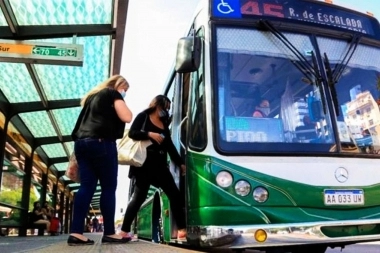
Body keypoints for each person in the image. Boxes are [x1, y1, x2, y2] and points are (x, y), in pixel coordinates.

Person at [68, 75, 133, 246]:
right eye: (125, 89)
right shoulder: (112, 93)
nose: (125, 93)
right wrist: (120, 99)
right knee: (108, 187)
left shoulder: (92, 98)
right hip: (102, 143)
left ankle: (76, 233)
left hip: (81, 144)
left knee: (87, 186)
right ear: (118, 85)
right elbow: (127, 117)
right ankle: (110, 233)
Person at [119, 95, 187, 240]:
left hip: (160, 164)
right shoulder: (143, 116)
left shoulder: (164, 123)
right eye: (165, 107)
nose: (166, 111)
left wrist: (180, 162)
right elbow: (132, 133)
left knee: (174, 194)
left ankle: (182, 230)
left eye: (168, 109)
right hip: (143, 163)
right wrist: (149, 134)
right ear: (157, 104)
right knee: (138, 197)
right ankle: (124, 231)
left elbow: (169, 146)